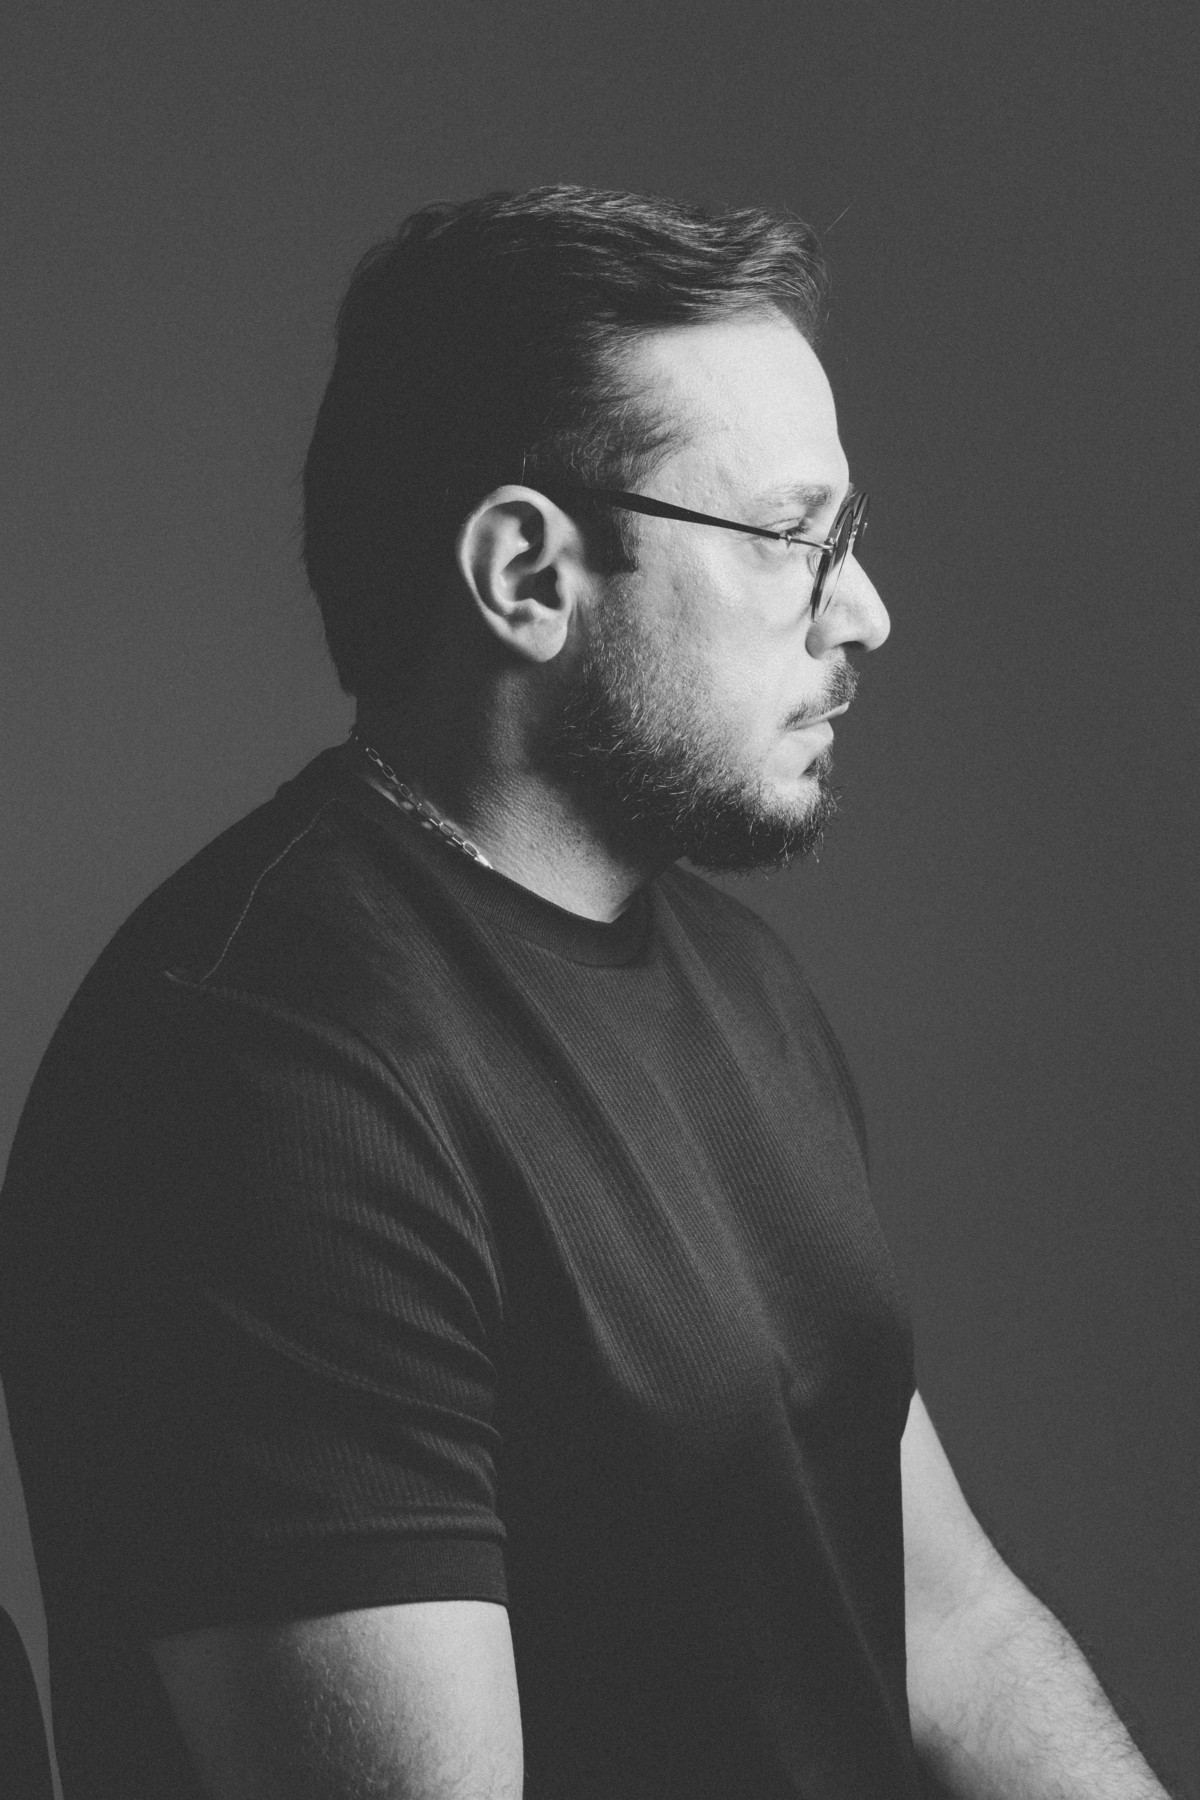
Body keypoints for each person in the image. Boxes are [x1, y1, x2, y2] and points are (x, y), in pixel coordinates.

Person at [0, 186, 1172, 1800]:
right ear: (527, 574)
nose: (865, 612)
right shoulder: (260, 1088)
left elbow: (945, 1624)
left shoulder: (739, 981)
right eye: (795, 538)